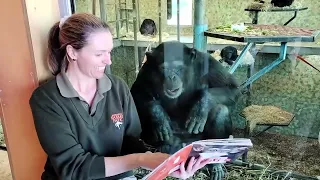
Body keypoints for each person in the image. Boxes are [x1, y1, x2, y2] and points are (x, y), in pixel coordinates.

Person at [29, 13, 210, 180]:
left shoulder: (116, 87)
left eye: (109, 52)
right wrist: (139, 160)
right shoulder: (46, 99)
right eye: (99, 54)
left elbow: (130, 140)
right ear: (72, 52)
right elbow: (74, 168)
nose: (109, 61)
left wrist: (165, 161)